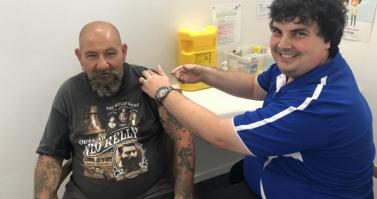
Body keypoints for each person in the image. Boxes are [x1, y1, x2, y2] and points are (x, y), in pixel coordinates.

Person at [139, 0, 375, 198]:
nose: (282, 45)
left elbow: (219, 135)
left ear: (328, 40)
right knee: (237, 172)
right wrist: (206, 73)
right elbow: (254, 86)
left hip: (313, 191)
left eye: (299, 33)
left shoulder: (321, 103)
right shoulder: (307, 67)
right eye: (276, 31)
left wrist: (164, 92)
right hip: (280, 174)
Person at [34, 21, 195, 199]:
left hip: (151, 192)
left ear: (124, 52)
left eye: (110, 54)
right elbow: (49, 156)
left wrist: (183, 197)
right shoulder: (69, 93)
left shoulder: (149, 83)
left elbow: (183, 139)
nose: (103, 65)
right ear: (80, 57)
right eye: (92, 56)